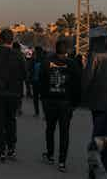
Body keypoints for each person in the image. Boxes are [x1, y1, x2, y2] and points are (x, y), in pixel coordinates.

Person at [0, 29, 26, 163]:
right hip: (14, 94)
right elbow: (25, 74)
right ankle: (11, 148)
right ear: (11, 40)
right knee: (10, 120)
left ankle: (1, 150)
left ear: (0, 40)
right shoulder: (19, 55)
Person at [40, 39, 81, 173]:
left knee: (50, 128)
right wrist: (74, 104)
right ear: (67, 51)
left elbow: (41, 81)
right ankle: (62, 161)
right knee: (64, 132)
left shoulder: (46, 62)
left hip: (50, 101)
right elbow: (77, 86)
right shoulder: (72, 64)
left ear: (55, 49)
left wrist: (43, 99)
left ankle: (50, 154)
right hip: (66, 103)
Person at [86, 38, 107, 177]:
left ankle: (96, 168)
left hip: (99, 103)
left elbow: (88, 78)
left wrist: (84, 96)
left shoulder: (97, 57)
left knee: (99, 135)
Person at [30, 46, 45, 117]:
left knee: (38, 98)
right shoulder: (42, 60)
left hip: (38, 81)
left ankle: (37, 112)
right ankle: (40, 113)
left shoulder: (37, 60)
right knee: (41, 98)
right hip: (38, 81)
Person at [12, 42, 25, 116]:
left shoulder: (10, 54)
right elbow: (24, 66)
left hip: (11, 77)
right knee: (19, 94)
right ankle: (18, 109)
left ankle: (13, 108)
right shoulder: (21, 55)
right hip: (19, 78)